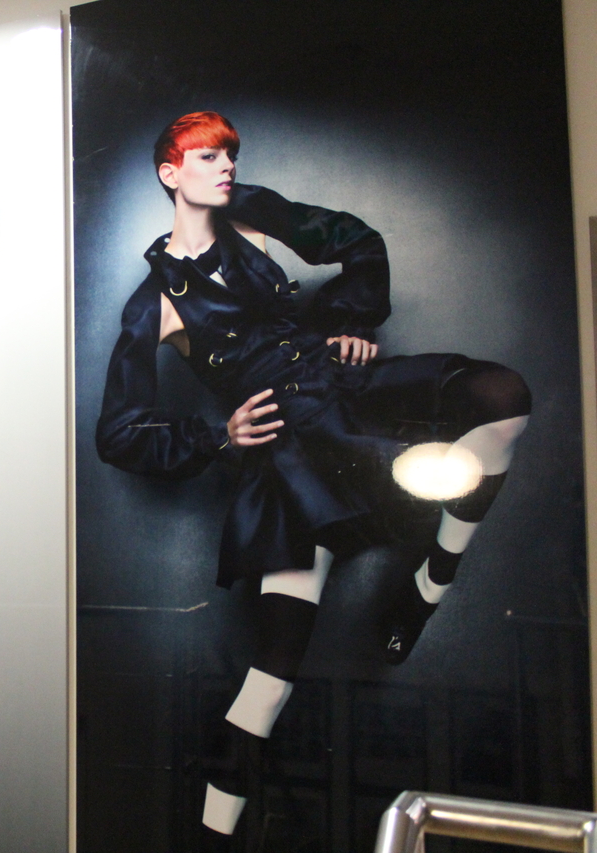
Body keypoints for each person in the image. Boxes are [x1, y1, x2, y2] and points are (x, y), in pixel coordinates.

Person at [95, 111, 530, 848]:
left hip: (348, 392)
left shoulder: (253, 214)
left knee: (504, 399)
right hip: (290, 456)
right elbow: (117, 431)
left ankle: (431, 583)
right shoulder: (153, 305)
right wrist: (219, 436)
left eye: (230, 154)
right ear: (171, 174)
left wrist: (348, 321)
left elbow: (358, 241)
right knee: (268, 685)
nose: (227, 167)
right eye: (209, 157)